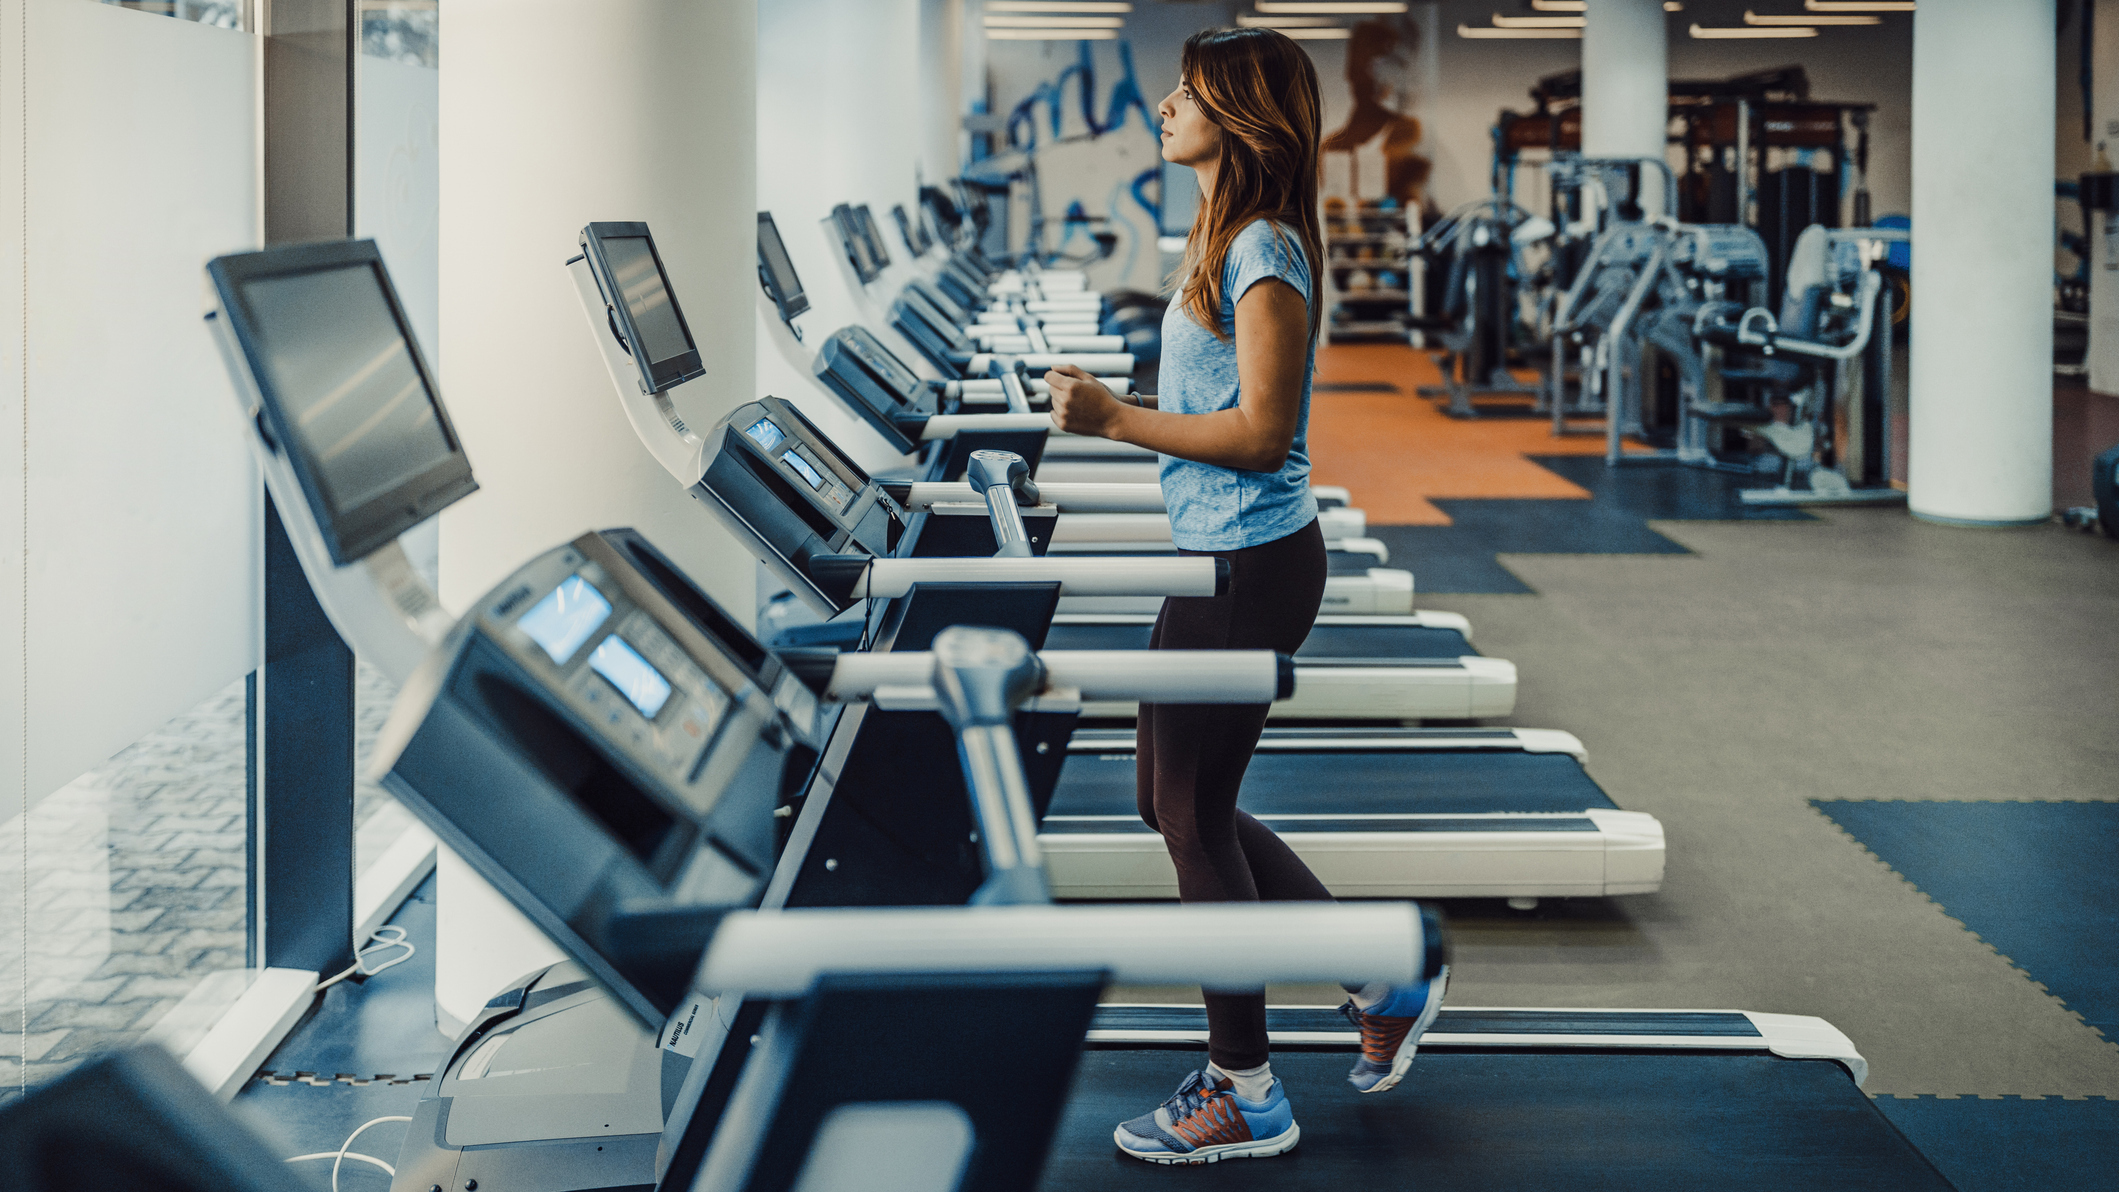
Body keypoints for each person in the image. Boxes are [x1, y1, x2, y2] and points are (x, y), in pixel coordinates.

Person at [1045, 25, 1448, 1168]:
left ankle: (1246, 1089)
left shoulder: (1264, 246)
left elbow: (1265, 433)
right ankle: (1383, 967)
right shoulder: (1228, 233)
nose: (1165, 104)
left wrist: (1114, 420)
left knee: (1187, 816)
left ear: (1243, 117)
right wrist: (1122, 405)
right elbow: (1224, 402)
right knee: (1169, 802)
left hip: (1249, 565)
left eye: (1189, 91)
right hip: (1221, 561)